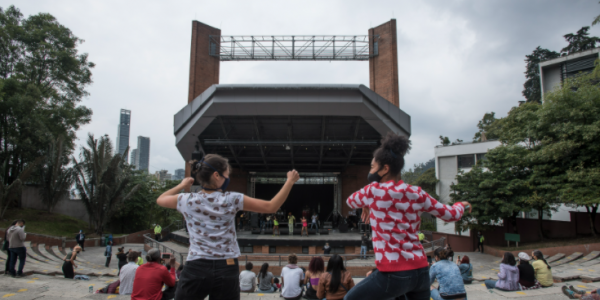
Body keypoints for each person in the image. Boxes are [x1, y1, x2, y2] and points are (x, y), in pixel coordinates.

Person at [343, 132, 471, 300]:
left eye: (373, 167)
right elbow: (450, 214)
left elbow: (350, 201)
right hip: (421, 272)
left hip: (393, 273)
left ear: (385, 169)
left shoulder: (372, 191)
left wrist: (366, 203)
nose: (370, 171)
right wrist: (461, 205)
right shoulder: (417, 193)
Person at [155, 153, 300, 299]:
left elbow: (161, 199)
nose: (228, 179)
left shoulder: (186, 200)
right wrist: (290, 181)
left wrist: (182, 185)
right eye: (226, 175)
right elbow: (271, 207)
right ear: (217, 175)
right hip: (227, 266)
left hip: (196, 266)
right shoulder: (232, 199)